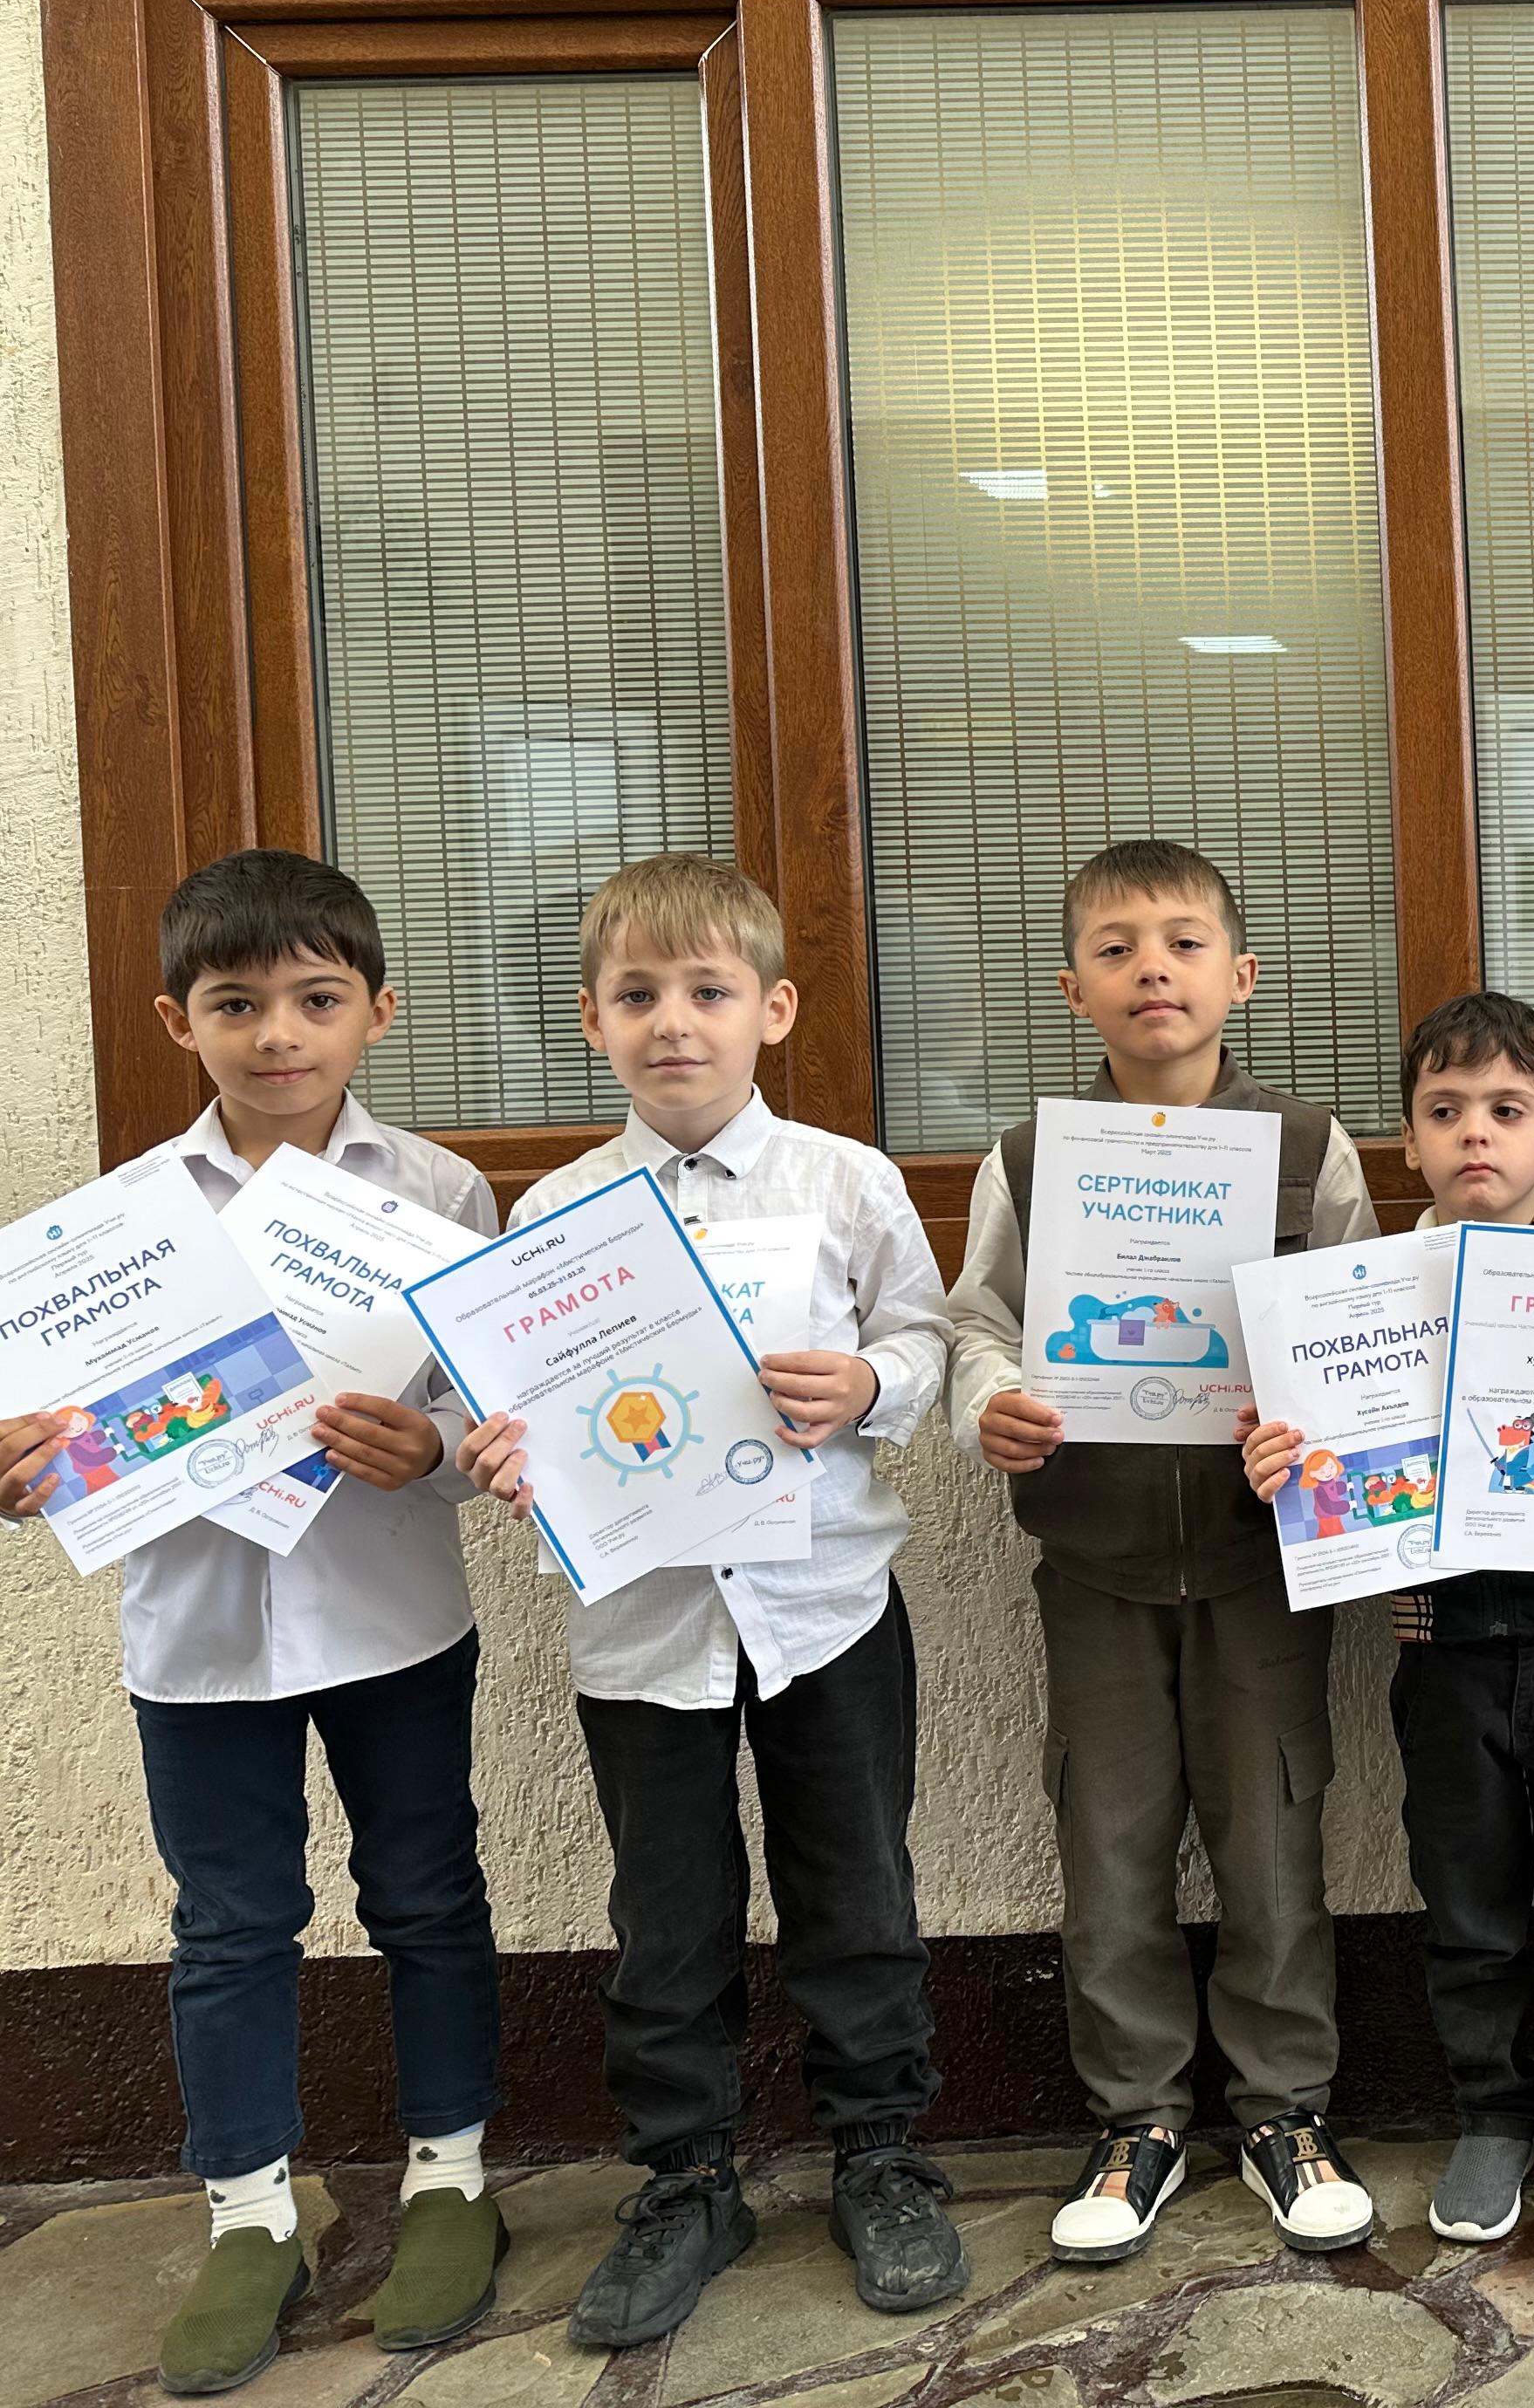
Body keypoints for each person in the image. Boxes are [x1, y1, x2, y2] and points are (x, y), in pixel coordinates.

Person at [0, 852, 504, 2395]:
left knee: (427, 1895)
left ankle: (452, 2177)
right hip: (200, 1636)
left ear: (376, 1013)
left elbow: (494, 1419)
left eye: (314, 1000)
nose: (278, 1033)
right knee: (228, 1925)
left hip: (394, 1618)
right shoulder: (111, 1234)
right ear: (179, 1021)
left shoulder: (441, 1194)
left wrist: (433, 1447)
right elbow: (58, 1448)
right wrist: (26, 1476)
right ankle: (247, 2211)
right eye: (236, 1004)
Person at [462, 854, 962, 2347]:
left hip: (827, 1603)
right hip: (644, 1625)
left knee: (857, 1893)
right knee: (666, 1917)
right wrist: (504, 1452)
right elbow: (513, 1401)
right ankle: (688, 2180)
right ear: (592, 1021)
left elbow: (927, 1341)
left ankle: (881, 2155)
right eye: (637, 995)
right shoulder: (556, 1212)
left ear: (773, 1010)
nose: (673, 1021)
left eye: (707, 990)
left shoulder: (846, 1182)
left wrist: (867, 1382)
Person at [947, 840, 1386, 2260]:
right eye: (1118, 947)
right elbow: (980, 1320)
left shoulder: (1309, 1151)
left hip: (1264, 1566)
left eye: (1186, 943)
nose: (1154, 969)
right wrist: (990, 1403)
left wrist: (1309, 1423)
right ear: (1072, 988)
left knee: (1273, 1839)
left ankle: (1282, 2111)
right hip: (1097, 1563)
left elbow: (1363, 1332)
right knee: (1111, 1844)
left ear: (1239, 977)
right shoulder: (1031, 1159)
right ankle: (1135, 2117)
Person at [1244, 992, 1534, 2263]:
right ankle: (1493, 2116)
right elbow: (1323, 1477)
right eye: (1445, 1112)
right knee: (1467, 1902)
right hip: (1436, 1653)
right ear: (1408, 1141)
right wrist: (1282, 1466)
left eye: (1508, 1110)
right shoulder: (1348, 1307)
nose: (1476, 1134)